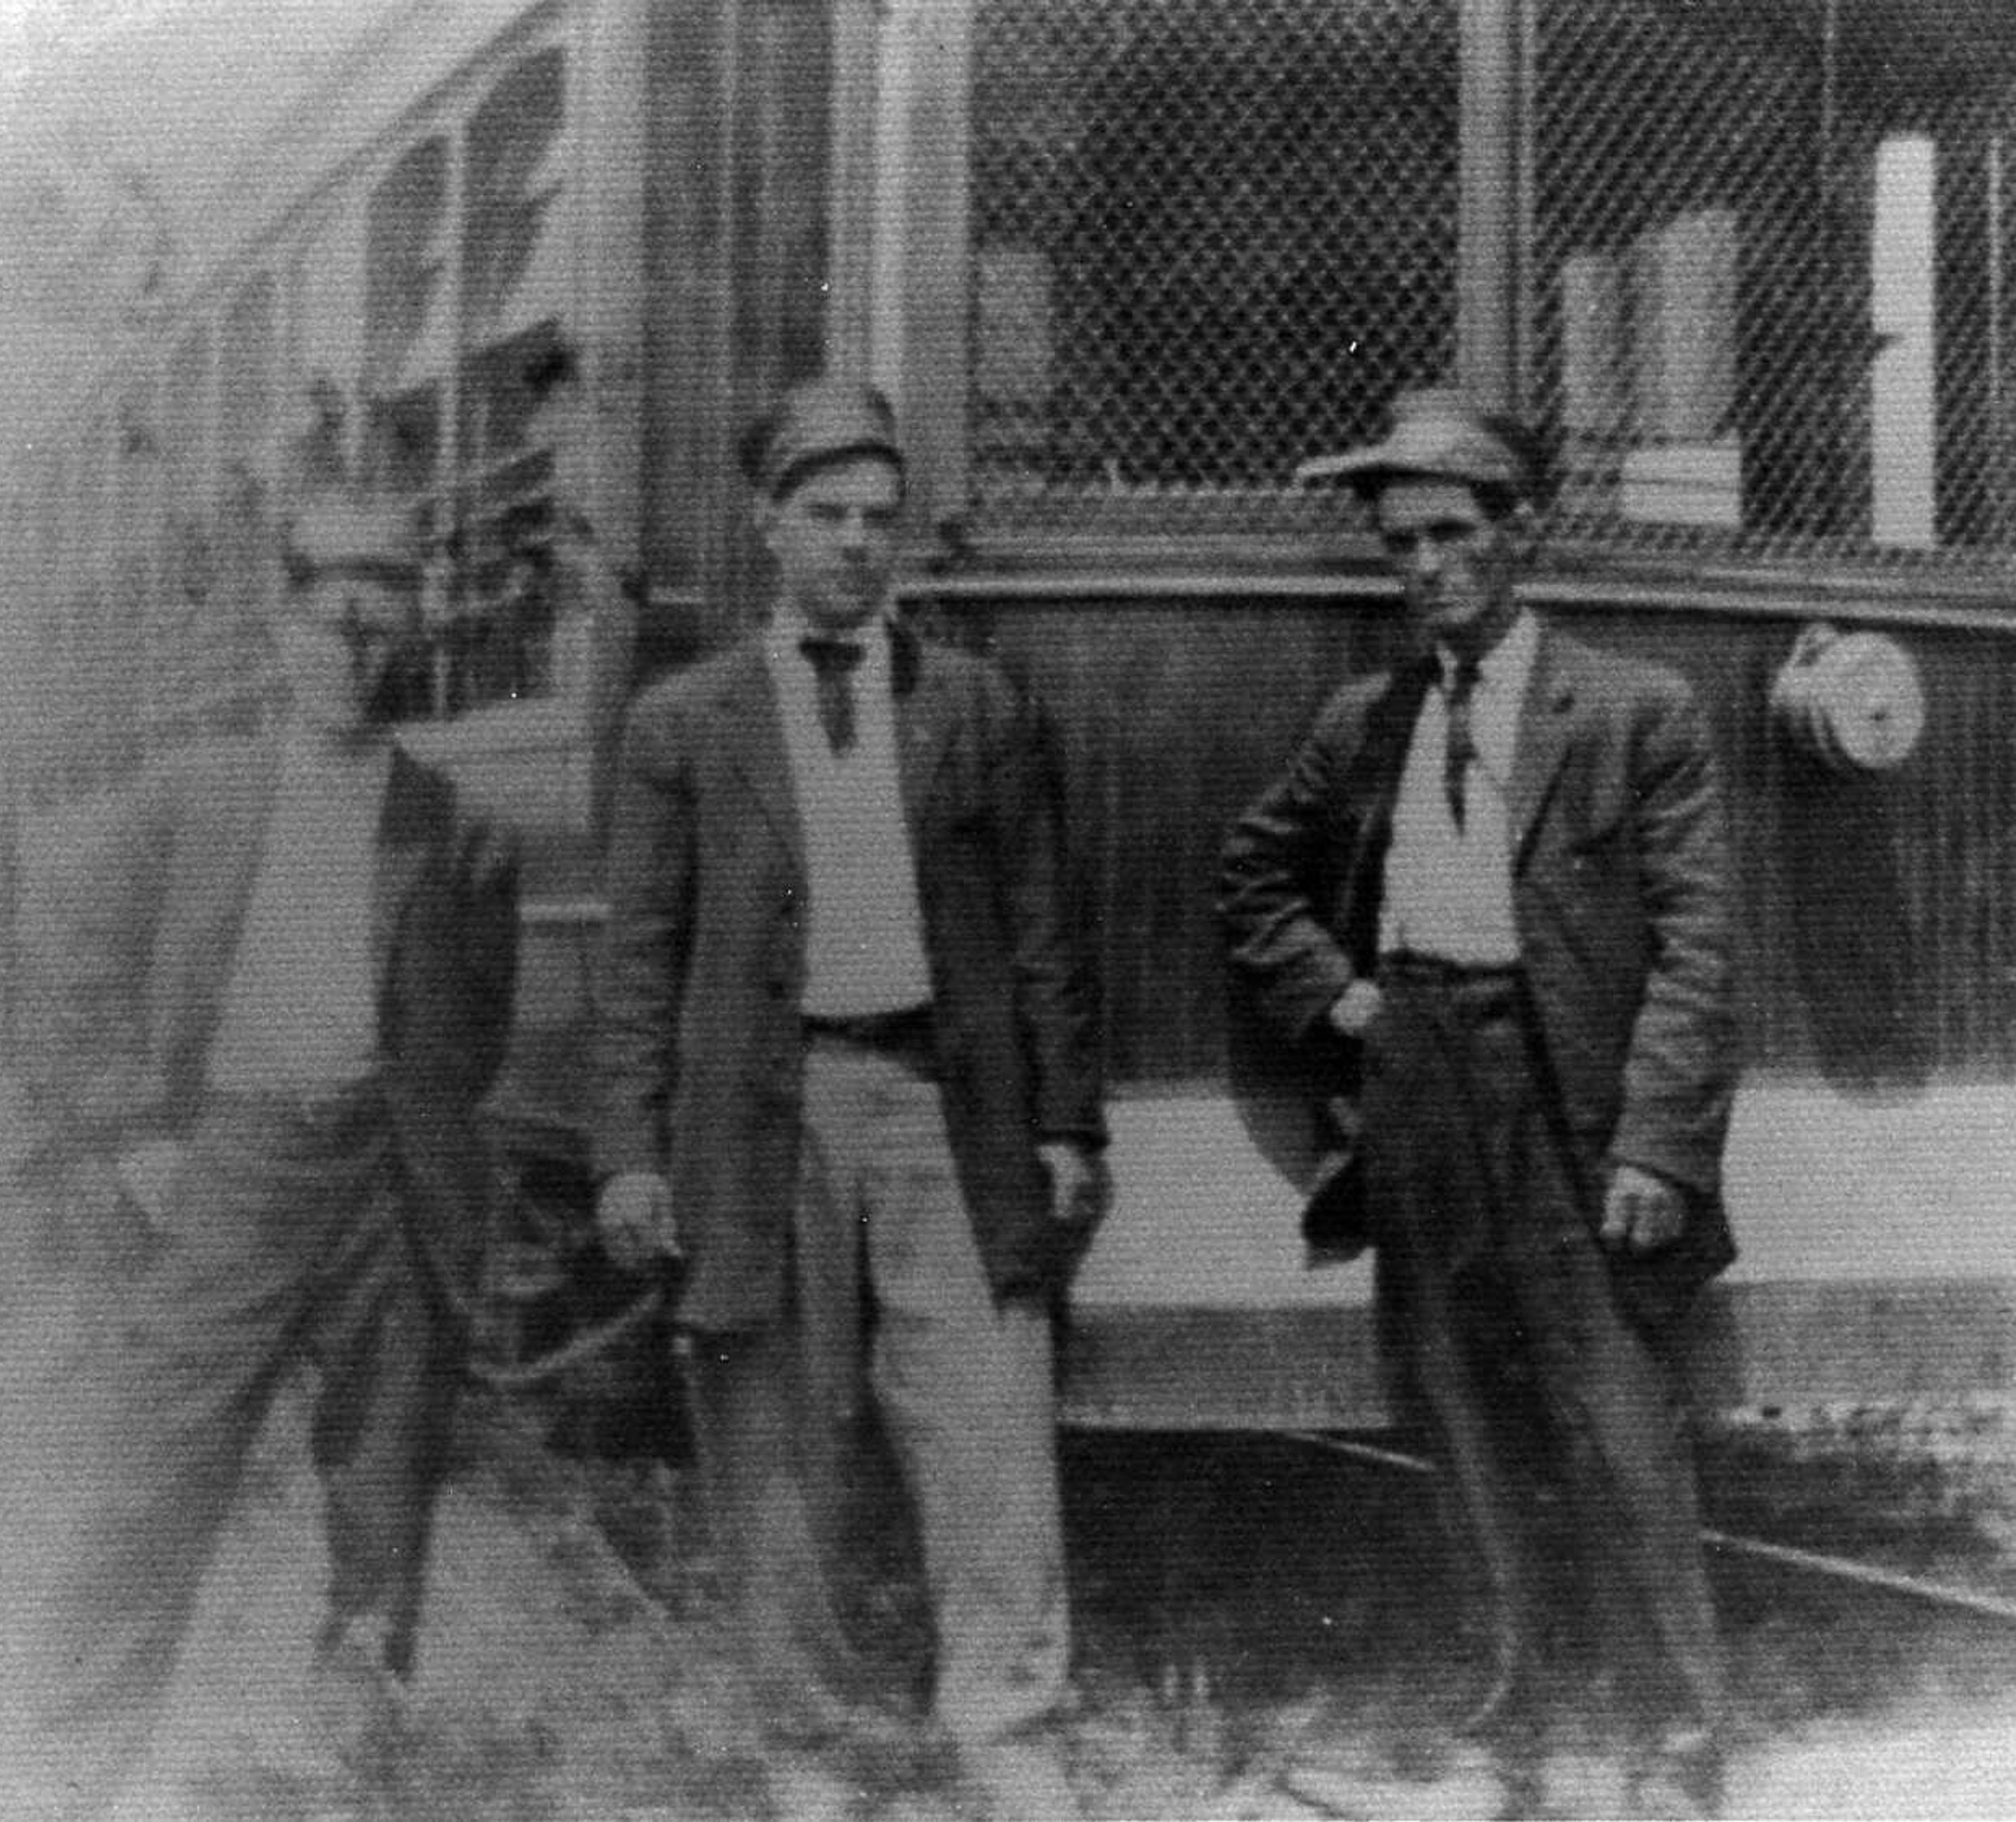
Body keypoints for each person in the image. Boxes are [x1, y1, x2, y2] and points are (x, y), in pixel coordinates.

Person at [589, 379, 1108, 1821]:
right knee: (772, 1419)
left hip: (945, 1105)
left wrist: (1066, 1122)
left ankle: (1007, 1723)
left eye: (882, 520)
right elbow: (641, 960)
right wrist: (629, 1156)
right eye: (827, 516)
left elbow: (1042, 936)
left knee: (988, 1414)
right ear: (769, 526)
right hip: (768, 1107)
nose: (859, 545)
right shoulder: (685, 725)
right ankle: (805, 1738)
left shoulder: (976, 708)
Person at [1218, 388, 1739, 1816]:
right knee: (1454, 1398)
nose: (1427, 568)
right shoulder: (1367, 719)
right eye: (1400, 546)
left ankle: (1676, 1730)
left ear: (1524, 536)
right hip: (1418, 1081)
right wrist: (1347, 999)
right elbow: (1252, 875)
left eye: (1454, 535)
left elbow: (1699, 949)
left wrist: (1659, 1145)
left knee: (1615, 1404)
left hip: (1562, 1090)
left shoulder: (1636, 712)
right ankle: (1512, 1699)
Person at [11, 490, 520, 1810]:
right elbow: (71, 959)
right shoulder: (197, 792)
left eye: (380, 620)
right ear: (283, 629)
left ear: (408, 634)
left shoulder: (454, 827)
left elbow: (473, 1031)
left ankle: (353, 1767)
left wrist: (420, 1163)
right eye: (328, 619)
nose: (353, 649)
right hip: (226, 1173)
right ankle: (64, 1771)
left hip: (382, 1186)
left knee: (384, 1490)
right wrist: (128, 1129)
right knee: (152, 1477)